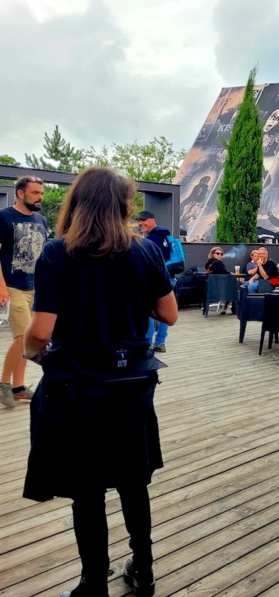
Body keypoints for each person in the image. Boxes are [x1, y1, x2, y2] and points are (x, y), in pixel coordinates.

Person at [22, 167, 178, 597]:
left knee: (87, 490)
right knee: (133, 481)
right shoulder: (145, 251)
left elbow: (40, 332)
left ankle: (93, 582)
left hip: (76, 388)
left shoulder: (57, 253)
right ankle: (143, 570)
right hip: (131, 384)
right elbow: (169, 314)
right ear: (122, 205)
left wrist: (29, 354)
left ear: (77, 203)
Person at [0, 175, 48, 408]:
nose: (40, 197)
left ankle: (19, 387)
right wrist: (1, 287)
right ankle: (3, 386)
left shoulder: (41, 219)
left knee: (28, 340)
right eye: (35, 193)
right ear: (21, 193)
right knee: (21, 338)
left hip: (35, 287)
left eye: (41, 193)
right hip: (11, 286)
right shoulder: (4, 217)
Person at [136, 211, 173, 353]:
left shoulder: (151, 239)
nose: (140, 223)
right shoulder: (166, 236)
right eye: (139, 221)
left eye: (143, 220)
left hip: (154, 279)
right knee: (164, 310)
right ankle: (161, 342)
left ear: (153, 220)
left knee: (148, 310)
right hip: (169, 277)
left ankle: (148, 342)